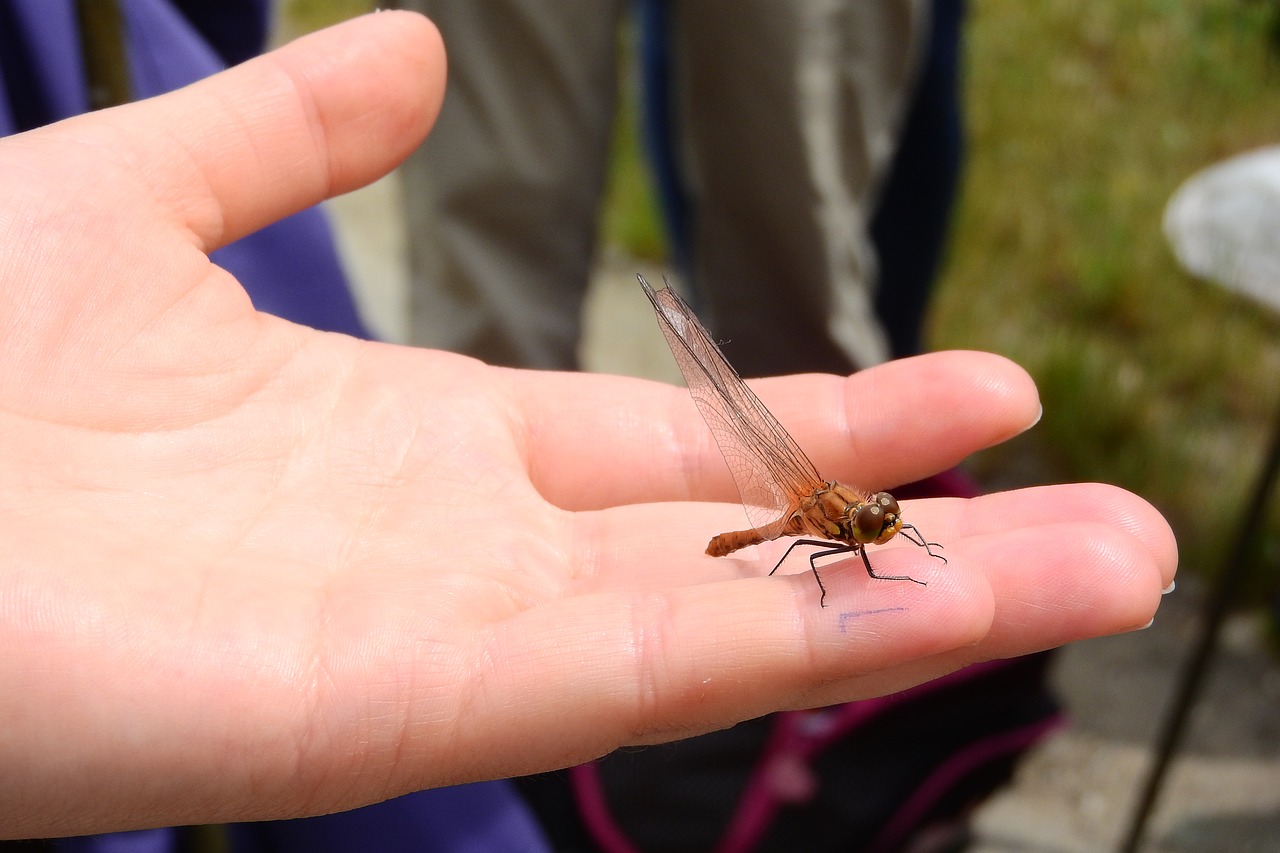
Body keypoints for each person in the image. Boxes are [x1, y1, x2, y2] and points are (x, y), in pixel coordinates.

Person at [0, 10, 1177, 841]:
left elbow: (860, 543)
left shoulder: (857, 518)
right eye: (873, 515)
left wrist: (886, 539)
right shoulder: (817, 519)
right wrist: (814, 556)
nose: (876, 519)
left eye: (875, 518)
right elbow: (816, 559)